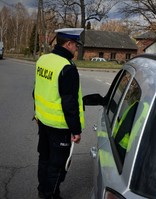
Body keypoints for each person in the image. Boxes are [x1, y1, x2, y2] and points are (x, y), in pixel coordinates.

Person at [33, 28, 85, 199]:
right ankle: (51, 195)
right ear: (68, 44)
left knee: (45, 159)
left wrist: (37, 114)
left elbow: (37, 90)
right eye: (76, 45)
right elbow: (69, 103)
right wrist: (76, 130)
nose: (77, 49)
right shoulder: (67, 67)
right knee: (57, 165)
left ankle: (43, 190)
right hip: (59, 126)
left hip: (43, 121)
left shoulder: (43, 59)